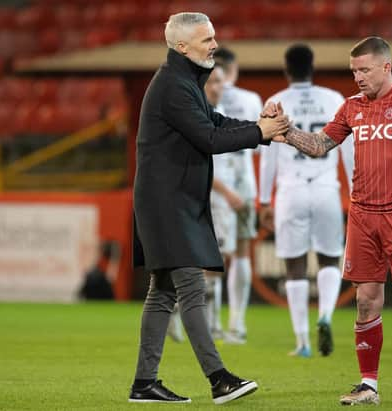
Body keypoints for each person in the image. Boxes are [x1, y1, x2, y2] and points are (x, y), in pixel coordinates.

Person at [274, 37, 392, 406]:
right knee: (366, 301)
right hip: (363, 216)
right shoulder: (351, 107)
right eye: (353, 71)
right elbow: (319, 146)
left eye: (364, 70)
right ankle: (368, 386)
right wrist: (286, 133)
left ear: (385, 67)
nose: (358, 77)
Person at [130, 12, 289, 405]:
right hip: (167, 203)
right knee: (191, 288)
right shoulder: (174, 85)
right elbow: (208, 138)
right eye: (206, 40)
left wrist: (260, 129)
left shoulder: (182, 79)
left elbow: (213, 121)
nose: (214, 44)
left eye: (214, 37)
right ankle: (220, 379)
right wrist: (259, 133)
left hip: (170, 199)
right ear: (182, 47)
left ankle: (144, 384)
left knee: (163, 292)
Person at [258, 44, 354, 358]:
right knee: (329, 257)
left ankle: (302, 342)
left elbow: (267, 153)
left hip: (291, 190)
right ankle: (325, 314)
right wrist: (356, 193)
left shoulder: (276, 102)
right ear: (313, 67)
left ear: (287, 69)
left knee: (294, 265)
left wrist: (263, 200)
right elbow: (349, 151)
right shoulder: (334, 99)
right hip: (326, 187)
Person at [166, 63, 234, 343]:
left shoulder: (219, 117)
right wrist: (228, 193)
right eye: (213, 82)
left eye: (221, 82)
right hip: (207, 200)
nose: (219, 87)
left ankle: (190, 315)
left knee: (220, 262)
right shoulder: (193, 119)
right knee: (209, 265)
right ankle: (205, 322)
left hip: (225, 202)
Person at [213, 47, 263, 344]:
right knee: (242, 251)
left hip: (218, 180)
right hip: (245, 181)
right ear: (235, 68)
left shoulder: (206, 96)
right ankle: (238, 324)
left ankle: (213, 323)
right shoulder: (250, 99)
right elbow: (259, 142)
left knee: (214, 256)